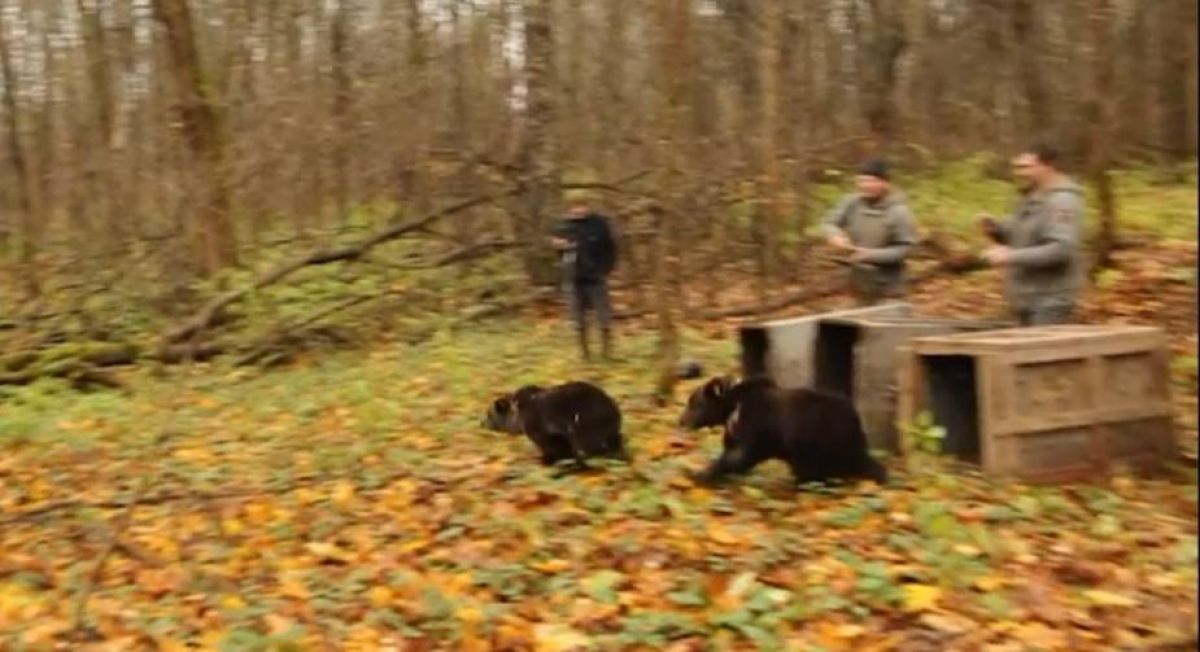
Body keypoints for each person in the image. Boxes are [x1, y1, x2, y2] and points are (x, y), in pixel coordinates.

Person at [979, 143, 1084, 326]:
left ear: (1047, 166)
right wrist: (997, 230)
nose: (1019, 173)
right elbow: (1023, 237)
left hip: (1049, 299)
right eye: (1017, 167)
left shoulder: (1062, 201)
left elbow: (1061, 249)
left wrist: (1010, 256)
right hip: (1026, 296)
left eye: (1026, 167)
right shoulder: (1031, 197)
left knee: (1041, 353)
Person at [821, 159, 919, 306]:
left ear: (885, 183)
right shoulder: (851, 202)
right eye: (862, 181)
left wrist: (871, 255)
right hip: (858, 283)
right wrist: (835, 236)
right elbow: (829, 222)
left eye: (872, 181)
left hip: (889, 287)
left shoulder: (899, 212)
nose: (866, 186)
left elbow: (906, 248)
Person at [551, 191, 618, 361]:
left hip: (596, 277)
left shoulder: (599, 224)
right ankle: (584, 353)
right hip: (573, 277)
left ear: (588, 206)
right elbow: (558, 251)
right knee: (578, 317)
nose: (579, 209)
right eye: (575, 206)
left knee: (603, 315)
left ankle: (607, 351)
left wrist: (606, 269)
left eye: (582, 205)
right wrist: (559, 247)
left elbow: (610, 249)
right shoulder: (563, 226)